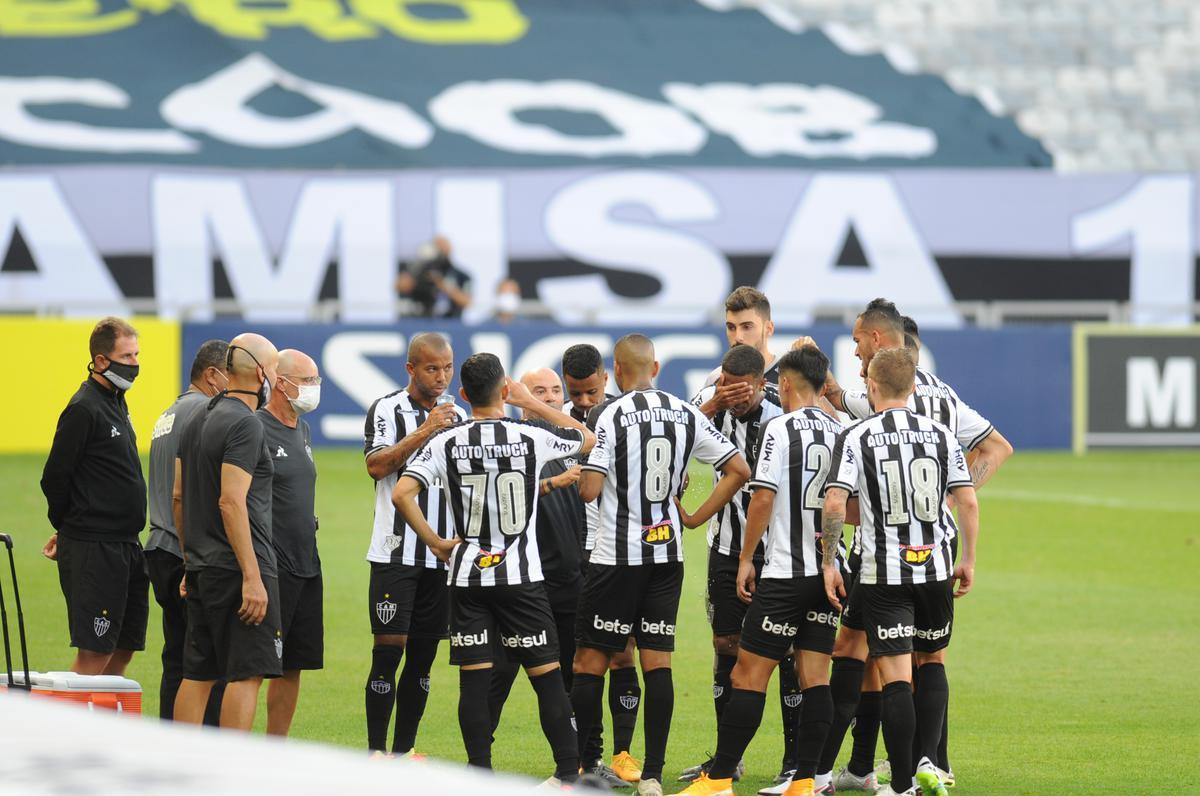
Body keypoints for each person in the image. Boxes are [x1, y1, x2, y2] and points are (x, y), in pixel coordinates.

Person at [812, 300, 1012, 793]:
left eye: (859, 339)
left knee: (869, 657)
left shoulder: (865, 415)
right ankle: (923, 763)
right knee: (925, 658)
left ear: (878, 349)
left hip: (880, 557)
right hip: (934, 551)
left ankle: (859, 771)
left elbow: (838, 488)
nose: (856, 348)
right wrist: (938, 512)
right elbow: (992, 453)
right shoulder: (944, 408)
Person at [392, 353, 596, 786]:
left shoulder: (446, 441)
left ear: (464, 395)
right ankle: (566, 777)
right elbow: (586, 439)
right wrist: (538, 404)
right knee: (548, 679)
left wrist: (436, 542)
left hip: (468, 576)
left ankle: (479, 778)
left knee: (475, 684)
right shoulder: (528, 437)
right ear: (506, 390)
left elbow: (402, 494)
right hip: (521, 577)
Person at [572, 334, 752, 796]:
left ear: (615, 367)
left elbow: (590, 491)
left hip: (616, 557)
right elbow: (739, 469)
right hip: (666, 555)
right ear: (655, 365)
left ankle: (588, 765)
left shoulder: (607, 414)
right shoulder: (686, 412)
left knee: (590, 660)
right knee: (658, 663)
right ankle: (652, 774)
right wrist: (692, 516)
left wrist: (587, 469)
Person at [676, 345, 848, 796]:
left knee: (746, 673)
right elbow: (850, 506)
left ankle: (718, 780)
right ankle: (806, 780)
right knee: (815, 676)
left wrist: (747, 557)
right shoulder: (841, 430)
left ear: (785, 383)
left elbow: (764, 496)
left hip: (785, 574)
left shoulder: (780, 426)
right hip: (830, 573)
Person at [681, 344, 784, 786]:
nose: (733, 397)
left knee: (791, 654)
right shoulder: (708, 405)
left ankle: (794, 765)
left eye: (741, 391)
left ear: (762, 384)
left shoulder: (782, 414)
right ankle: (728, 760)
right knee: (725, 644)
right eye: (726, 386)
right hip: (725, 545)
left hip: (776, 548)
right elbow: (671, 436)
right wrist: (712, 401)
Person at [362, 332, 466, 755]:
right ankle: (374, 752)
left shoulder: (459, 416)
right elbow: (377, 465)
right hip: (394, 552)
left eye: (447, 368)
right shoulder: (387, 408)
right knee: (388, 652)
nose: (441, 377)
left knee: (423, 660)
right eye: (431, 368)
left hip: (442, 557)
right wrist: (426, 430)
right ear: (411, 369)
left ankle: (402, 753)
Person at [173, 333, 281, 730]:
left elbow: (179, 497)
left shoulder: (197, 417)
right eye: (273, 370)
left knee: (198, 673)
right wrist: (253, 576)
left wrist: (190, 560)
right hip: (238, 569)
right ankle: (232, 772)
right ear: (259, 372)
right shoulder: (246, 424)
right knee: (246, 674)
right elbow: (231, 501)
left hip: (202, 566)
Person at [40, 316, 149, 677]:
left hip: (126, 545)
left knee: (123, 648)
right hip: (96, 547)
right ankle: (66, 732)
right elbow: (54, 477)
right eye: (127, 356)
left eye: (136, 355)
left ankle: (103, 730)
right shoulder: (83, 408)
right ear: (101, 361)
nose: (134, 364)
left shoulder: (116, 402)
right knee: (94, 654)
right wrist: (71, 528)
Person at [487, 369, 589, 738]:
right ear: (517, 397)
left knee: (570, 673)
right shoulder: (512, 442)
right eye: (538, 391)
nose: (548, 397)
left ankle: (578, 763)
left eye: (555, 391)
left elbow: (586, 442)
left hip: (567, 578)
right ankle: (478, 762)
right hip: (520, 579)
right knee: (499, 672)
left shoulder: (564, 442)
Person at [561, 343, 643, 785]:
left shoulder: (625, 418)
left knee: (623, 653)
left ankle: (624, 753)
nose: (585, 401)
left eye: (592, 391)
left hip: (619, 551)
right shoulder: (556, 423)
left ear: (606, 379)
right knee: (582, 658)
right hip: (574, 555)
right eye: (576, 393)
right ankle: (583, 757)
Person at [146, 338, 229, 723]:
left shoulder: (168, 414)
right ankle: (205, 747)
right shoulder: (206, 413)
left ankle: (168, 739)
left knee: (176, 657)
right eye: (232, 374)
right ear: (212, 375)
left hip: (159, 545)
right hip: (187, 550)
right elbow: (193, 493)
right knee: (207, 663)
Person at [259, 349, 323, 737]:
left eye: (317, 381)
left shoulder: (302, 428)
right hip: (272, 564)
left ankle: (275, 747)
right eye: (308, 381)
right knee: (257, 664)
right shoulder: (255, 428)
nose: (315, 389)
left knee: (293, 663)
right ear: (281, 383)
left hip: (306, 561)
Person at [395, 236, 472, 319]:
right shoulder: (419, 272)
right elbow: (400, 286)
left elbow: (467, 302)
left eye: (442, 248)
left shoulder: (460, 275)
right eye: (436, 247)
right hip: (421, 322)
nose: (439, 251)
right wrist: (417, 269)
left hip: (450, 324)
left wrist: (443, 285)